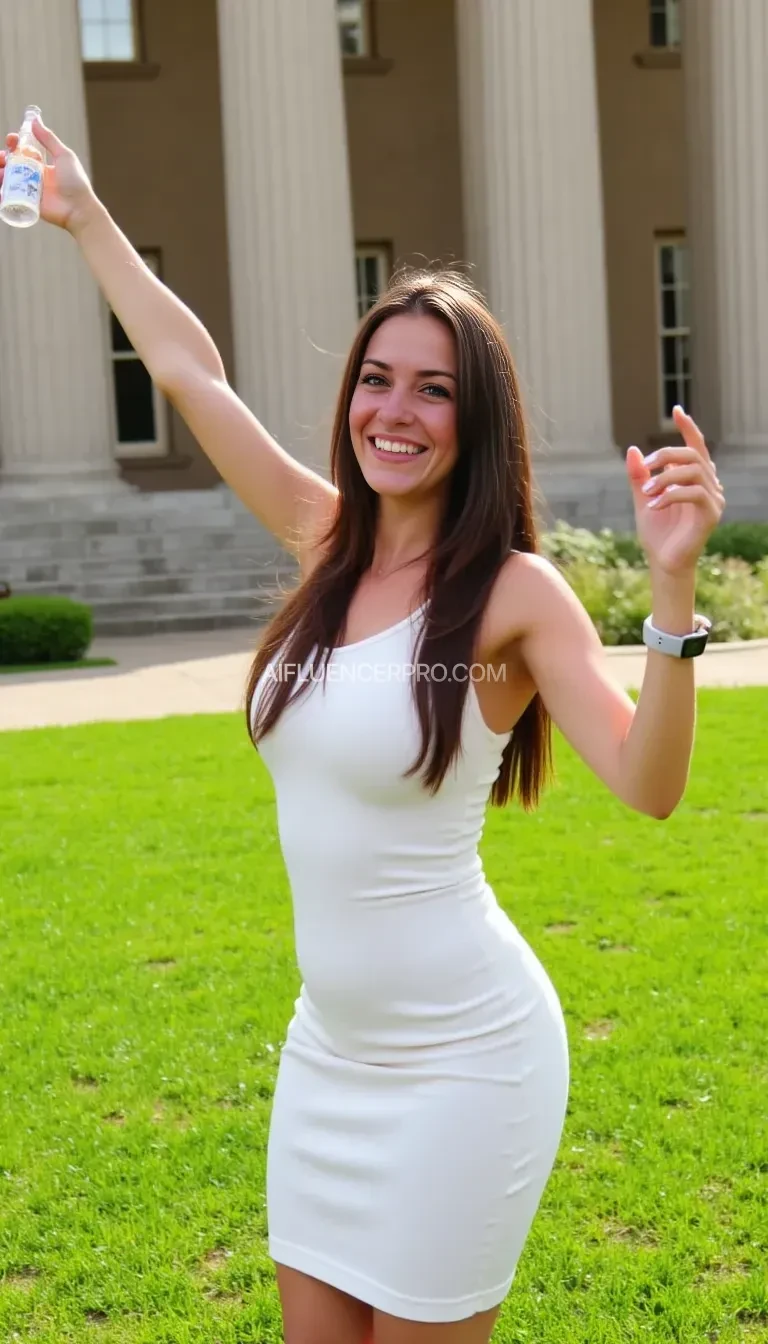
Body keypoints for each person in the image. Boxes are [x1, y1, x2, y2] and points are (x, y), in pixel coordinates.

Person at [1, 117, 725, 1344]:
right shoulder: (325, 541)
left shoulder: (507, 596)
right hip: (328, 1058)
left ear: (473, 420)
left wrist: (671, 593)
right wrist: (82, 214)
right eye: (378, 379)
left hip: (469, 1063)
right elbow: (193, 377)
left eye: (433, 390)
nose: (396, 410)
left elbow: (648, 786)